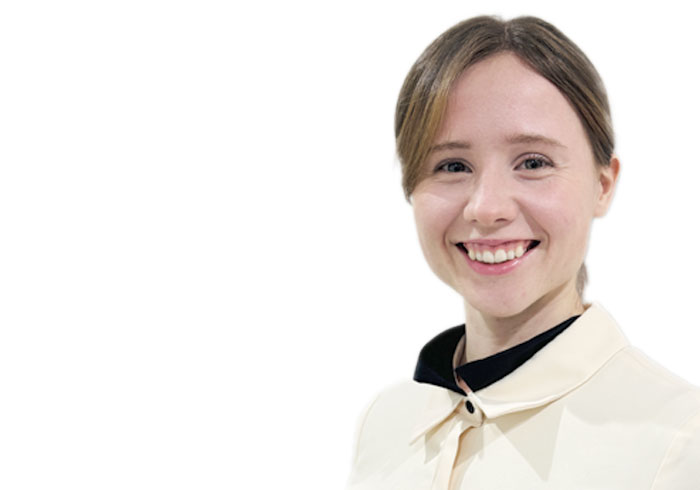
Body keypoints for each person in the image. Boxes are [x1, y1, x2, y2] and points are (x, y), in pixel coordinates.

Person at [346, 15, 700, 489]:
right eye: (452, 165)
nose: (487, 207)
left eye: (533, 162)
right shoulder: (386, 424)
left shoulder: (679, 439)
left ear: (602, 184)